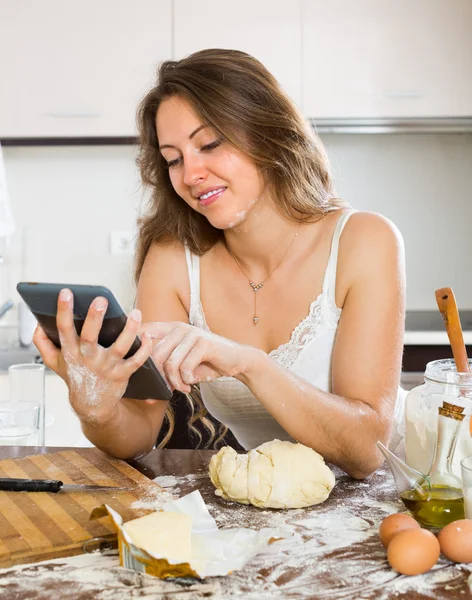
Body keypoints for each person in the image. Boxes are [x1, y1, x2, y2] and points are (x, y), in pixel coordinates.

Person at [34, 49, 406, 479]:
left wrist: (247, 363)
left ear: (266, 132)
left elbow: (366, 450)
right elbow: (140, 432)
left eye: (209, 144)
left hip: (383, 501)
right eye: (174, 159)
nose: (190, 174)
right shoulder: (175, 258)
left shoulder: (364, 240)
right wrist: (96, 408)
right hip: (274, 508)